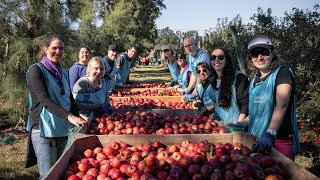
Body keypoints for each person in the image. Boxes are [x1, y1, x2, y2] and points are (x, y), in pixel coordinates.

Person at [25, 35, 88, 179]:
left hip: (61, 127)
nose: (58, 51)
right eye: (54, 48)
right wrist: (70, 116)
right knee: (48, 174)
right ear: (46, 49)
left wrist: (78, 113)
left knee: (59, 170)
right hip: (43, 129)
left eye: (61, 48)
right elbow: (45, 101)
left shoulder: (64, 72)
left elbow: (69, 97)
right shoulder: (36, 70)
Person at [240, 35, 300, 160]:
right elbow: (255, 112)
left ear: (272, 54)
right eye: (255, 54)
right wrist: (240, 124)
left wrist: (270, 132)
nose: (260, 57)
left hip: (278, 141)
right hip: (257, 141)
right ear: (250, 58)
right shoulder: (254, 82)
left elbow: (282, 105)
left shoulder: (282, 73)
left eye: (264, 52)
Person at [210, 48, 249, 123]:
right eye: (213, 57)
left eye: (220, 57)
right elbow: (219, 104)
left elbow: (245, 105)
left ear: (227, 60)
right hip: (222, 127)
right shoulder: (213, 81)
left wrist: (238, 125)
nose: (216, 60)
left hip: (237, 127)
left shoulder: (239, 78)